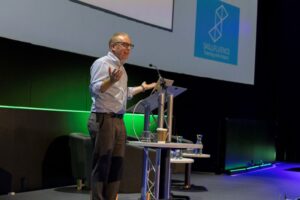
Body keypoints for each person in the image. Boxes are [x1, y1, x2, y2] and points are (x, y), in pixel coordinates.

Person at [87, 32, 156, 200]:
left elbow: (125, 93)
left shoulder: (122, 69)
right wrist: (110, 80)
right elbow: (94, 89)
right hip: (103, 118)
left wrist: (143, 88)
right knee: (102, 164)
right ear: (113, 46)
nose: (128, 49)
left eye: (130, 46)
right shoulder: (102, 63)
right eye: (124, 45)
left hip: (118, 120)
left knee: (116, 164)